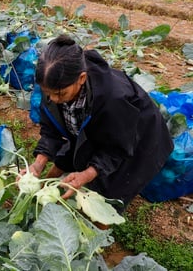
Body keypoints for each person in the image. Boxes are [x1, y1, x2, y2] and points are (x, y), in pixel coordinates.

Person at [24, 34, 173, 213]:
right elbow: (51, 129)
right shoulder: (54, 83)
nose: (54, 99)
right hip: (96, 129)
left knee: (109, 194)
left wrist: (86, 175)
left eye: (60, 94)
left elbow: (116, 148)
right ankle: (44, 201)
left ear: (81, 78)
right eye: (48, 93)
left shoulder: (114, 98)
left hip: (136, 138)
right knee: (70, 159)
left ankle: (100, 233)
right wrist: (39, 163)